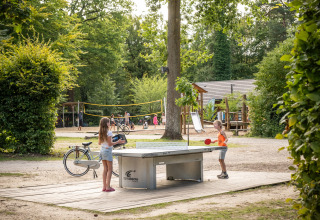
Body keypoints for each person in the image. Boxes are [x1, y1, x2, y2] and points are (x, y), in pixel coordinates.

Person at [98, 117, 125, 192]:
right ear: (106, 124)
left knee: (105, 169)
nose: (109, 124)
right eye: (109, 122)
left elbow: (99, 143)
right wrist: (117, 142)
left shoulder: (101, 132)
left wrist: (107, 141)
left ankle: (104, 187)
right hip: (107, 151)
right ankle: (108, 187)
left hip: (102, 150)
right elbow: (110, 144)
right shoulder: (109, 132)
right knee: (110, 169)